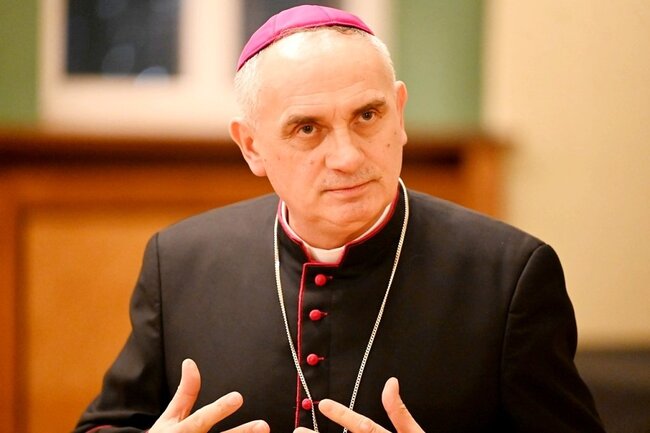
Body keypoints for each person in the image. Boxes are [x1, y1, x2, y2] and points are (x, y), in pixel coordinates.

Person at [75, 5, 605, 433]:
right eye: (307, 128)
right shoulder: (179, 264)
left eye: (367, 115)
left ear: (399, 114)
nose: (347, 157)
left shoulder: (510, 276)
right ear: (252, 146)